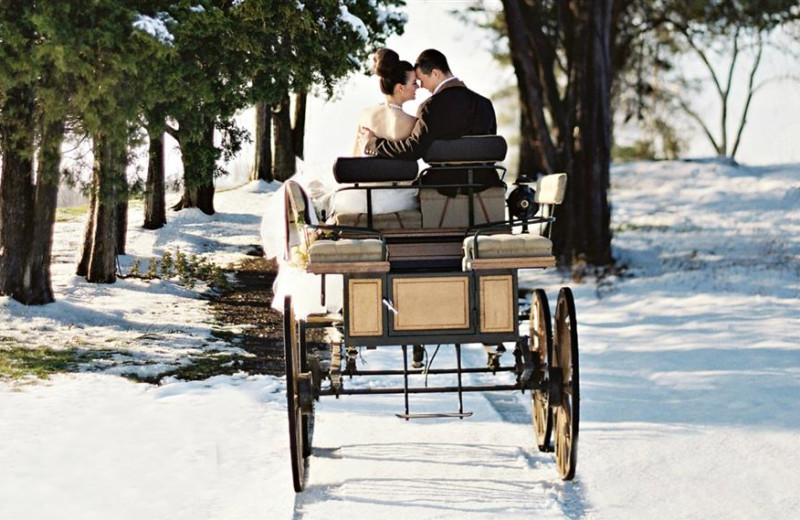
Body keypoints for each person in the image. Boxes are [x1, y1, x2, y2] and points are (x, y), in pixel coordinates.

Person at [360, 48, 500, 195]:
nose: (421, 86)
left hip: (443, 188)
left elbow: (413, 149)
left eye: (421, 80)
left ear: (435, 73)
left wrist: (374, 144)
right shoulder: (485, 104)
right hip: (485, 184)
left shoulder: (430, 107)